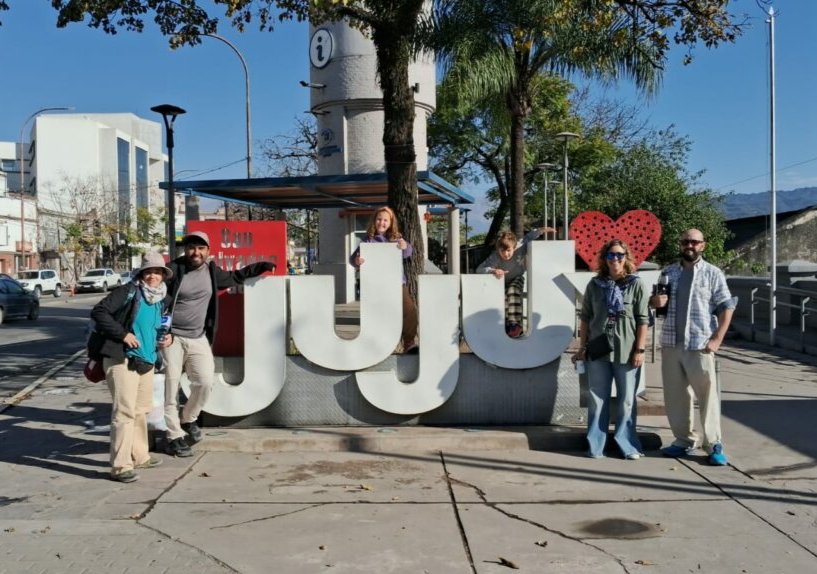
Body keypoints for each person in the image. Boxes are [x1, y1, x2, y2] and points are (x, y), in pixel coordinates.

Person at [162, 231, 276, 456]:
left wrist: (262, 266)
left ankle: (188, 419)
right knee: (170, 387)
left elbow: (235, 277)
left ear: (208, 251)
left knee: (205, 381)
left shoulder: (212, 272)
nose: (196, 252)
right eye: (192, 247)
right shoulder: (174, 270)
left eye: (201, 248)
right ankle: (174, 436)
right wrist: (161, 329)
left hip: (198, 337)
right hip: (172, 338)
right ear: (186, 250)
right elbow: (155, 297)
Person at [650, 228, 735, 466]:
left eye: (695, 242)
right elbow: (658, 307)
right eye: (686, 241)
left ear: (703, 246)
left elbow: (727, 306)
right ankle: (684, 440)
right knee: (676, 396)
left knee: (707, 395)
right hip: (671, 343)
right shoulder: (669, 272)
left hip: (700, 344)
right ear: (681, 244)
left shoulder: (712, 273)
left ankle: (713, 443)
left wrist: (717, 338)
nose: (690, 245)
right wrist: (654, 303)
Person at [91, 252, 173, 482]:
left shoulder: (162, 299)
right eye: (149, 272)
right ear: (141, 274)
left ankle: (140, 456)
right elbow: (99, 312)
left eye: (157, 272)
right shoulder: (128, 292)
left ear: (163, 275)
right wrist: (123, 334)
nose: (153, 276)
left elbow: (161, 328)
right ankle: (120, 466)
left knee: (141, 410)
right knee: (124, 412)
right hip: (121, 359)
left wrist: (169, 338)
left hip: (146, 360)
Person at [573, 239, 649, 459]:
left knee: (626, 399)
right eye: (610, 255)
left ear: (626, 258)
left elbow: (643, 319)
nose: (615, 259)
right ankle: (596, 446)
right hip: (598, 350)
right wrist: (582, 347)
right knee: (597, 398)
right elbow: (586, 317)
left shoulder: (636, 284)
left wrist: (640, 349)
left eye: (619, 255)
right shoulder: (595, 285)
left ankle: (627, 445)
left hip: (627, 350)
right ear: (604, 259)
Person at [350, 206, 419, 353]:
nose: (382, 222)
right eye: (379, 219)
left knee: (409, 310)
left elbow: (408, 252)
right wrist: (357, 261)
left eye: (385, 220)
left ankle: (409, 342)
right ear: (374, 221)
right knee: (378, 313)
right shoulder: (367, 241)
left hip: (396, 283)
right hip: (376, 285)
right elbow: (353, 259)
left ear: (390, 222)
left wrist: (404, 245)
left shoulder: (395, 238)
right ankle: (377, 344)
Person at [476, 227, 548, 338]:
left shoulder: (520, 247)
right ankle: (506, 324)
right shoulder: (495, 257)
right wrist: (493, 270)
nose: (505, 254)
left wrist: (541, 230)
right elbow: (479, 269)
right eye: (502, 251)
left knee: (512, 291)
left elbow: (528, 237)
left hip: (517, 277)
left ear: (514, 248)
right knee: (503, 298)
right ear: (498, 249)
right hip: (502, 281)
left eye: (508, 250)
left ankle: (515, 325)